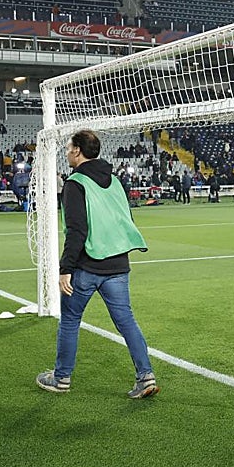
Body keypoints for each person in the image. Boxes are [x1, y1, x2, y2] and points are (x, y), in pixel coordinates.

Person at [36, 129, 158, 399]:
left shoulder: (75, 183)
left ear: (78, 151)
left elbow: (76, 230)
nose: (67, 152)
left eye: (69, 148)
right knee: (127, 321)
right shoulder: (114, 180)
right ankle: (145, 376)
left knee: (69, 320)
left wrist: (65, 268)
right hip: (118, 263)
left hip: (87, 266)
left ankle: (61, 377)